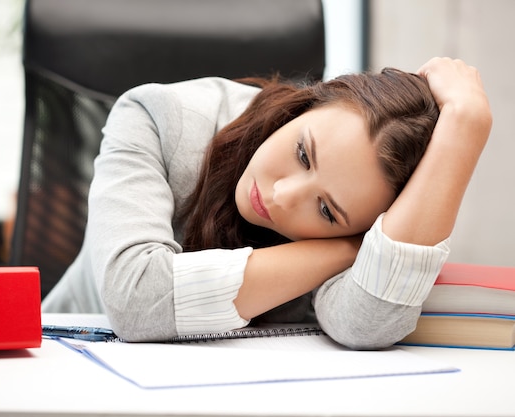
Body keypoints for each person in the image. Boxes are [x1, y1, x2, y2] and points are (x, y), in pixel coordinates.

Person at [42, 57, 492, 349]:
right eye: (302, 154)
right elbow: (134, 296)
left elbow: (364, 325)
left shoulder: (363, 213)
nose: (280, 196)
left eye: (326, 211)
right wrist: (349, 248)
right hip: (69, 358)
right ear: (305, 105)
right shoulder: (158, 116)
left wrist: (464, 131)